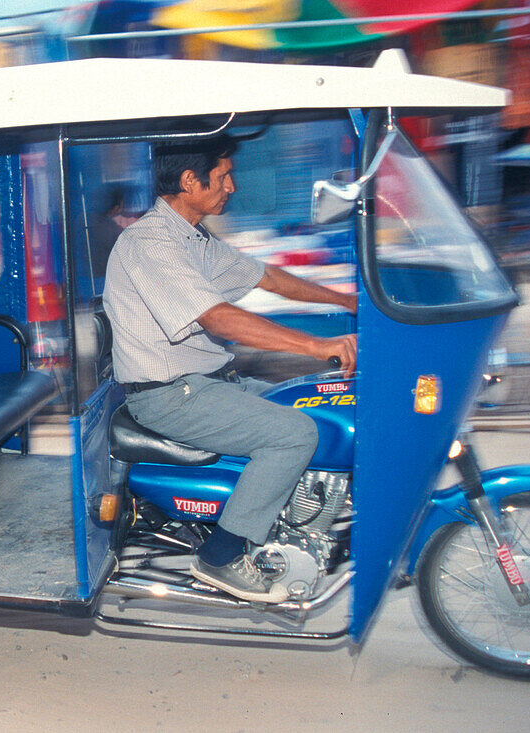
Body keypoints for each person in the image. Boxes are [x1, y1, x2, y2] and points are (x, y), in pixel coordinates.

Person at [103, 134, 356, 603]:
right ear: (188, 181)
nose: (233, 187)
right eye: (223, 177)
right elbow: (219, 318)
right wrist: (319, 346)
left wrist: (349, 300)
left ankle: (297, 522)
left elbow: (267, 276)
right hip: (170, 394)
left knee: (318, 404)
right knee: (295, 434)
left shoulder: (193, 238)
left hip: (210, 382)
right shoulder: (150, 244)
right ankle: (221, 555)